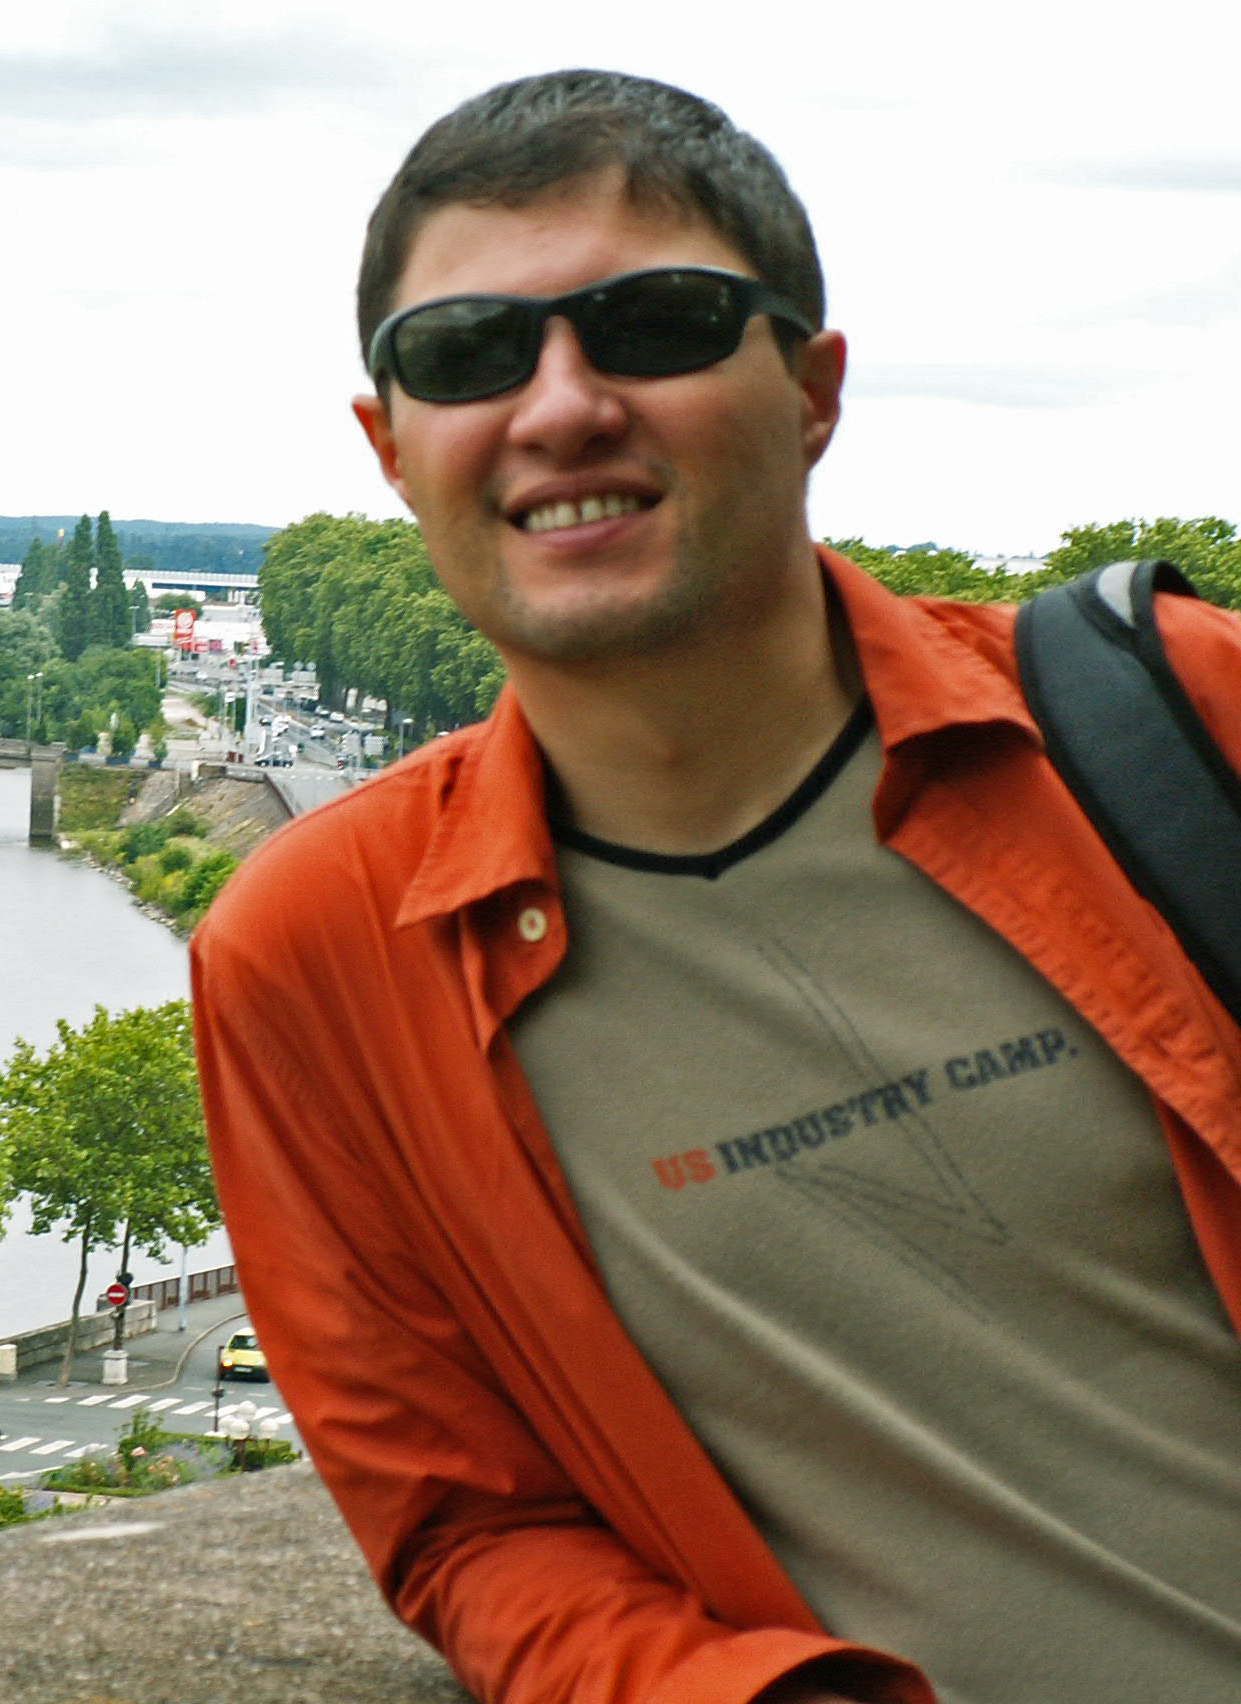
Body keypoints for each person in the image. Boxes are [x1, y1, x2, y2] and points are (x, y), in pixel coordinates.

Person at [190, 68, 1241, 1704]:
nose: (560, 408)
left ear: (814, 390)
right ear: (391, 446)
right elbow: (473, 1528)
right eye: (465, 353)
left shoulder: (1190, 720)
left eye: (657, 325)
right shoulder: (316, 951)